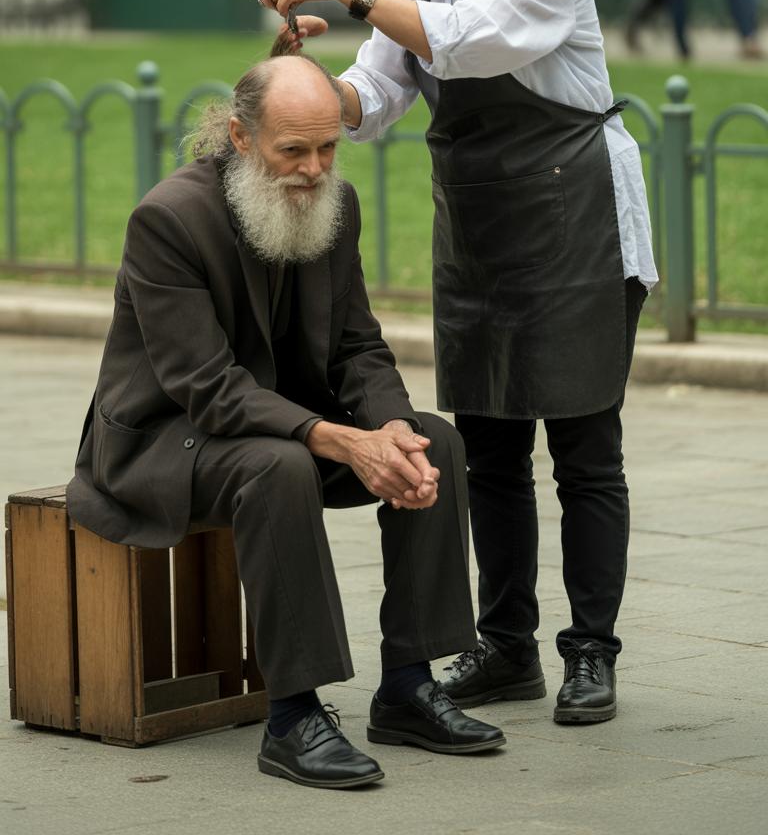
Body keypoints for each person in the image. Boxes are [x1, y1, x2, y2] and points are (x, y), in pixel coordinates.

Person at [260, 0, 658, 727]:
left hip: (576, 217)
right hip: (481, 224)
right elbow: (378, 90)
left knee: (584, 446)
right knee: (487, 448)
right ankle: (508, 646)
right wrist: (313, 87)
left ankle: (590, 652)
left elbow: (471, 44)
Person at [66, 52, 504, 790]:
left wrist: (391, 430)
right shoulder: (167, 220)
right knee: (281, 464)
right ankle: (292, 717)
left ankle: (407, 684)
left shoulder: (337, 203)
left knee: (438, 440)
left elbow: (358, 346)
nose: (313, 168)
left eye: (328, 147)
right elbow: (207, 388)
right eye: (292, 151)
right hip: (165, 441)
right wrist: (341, 440)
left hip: (279, 426)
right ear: (240, 138)